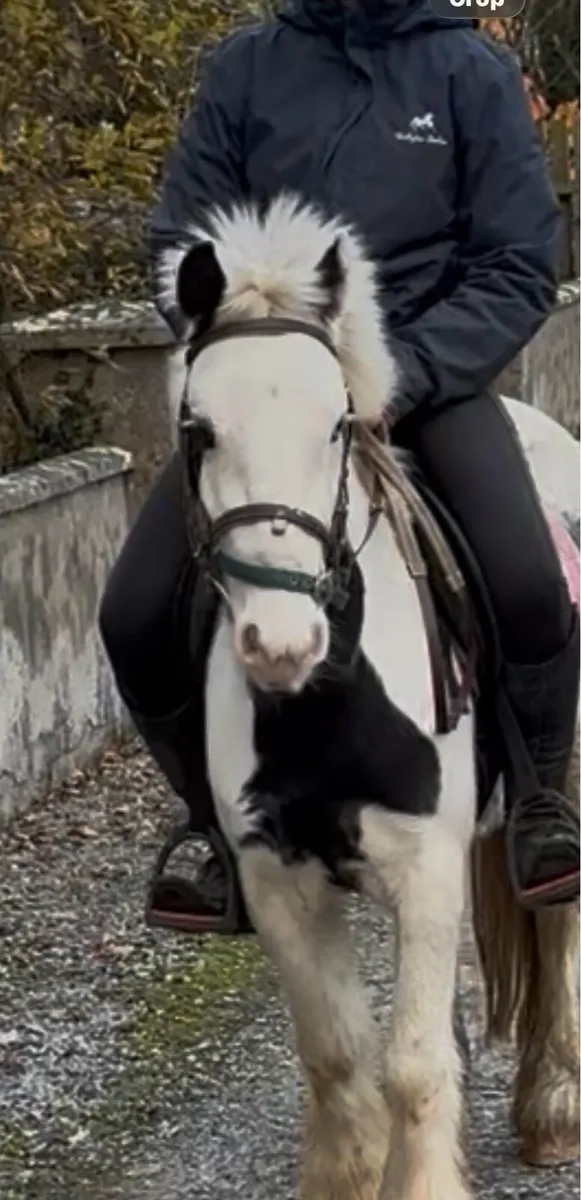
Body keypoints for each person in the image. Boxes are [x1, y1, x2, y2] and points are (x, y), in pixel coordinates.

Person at [99, 0, 580, 930]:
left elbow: (518, 261)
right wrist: (251, 354)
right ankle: (211, 825)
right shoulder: (245, 68)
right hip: (272, 387)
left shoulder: (465, 72)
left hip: (423, 381)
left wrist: (397, 372)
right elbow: (182, 243)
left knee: (527, 581)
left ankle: (536, 804)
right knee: (133, 611)